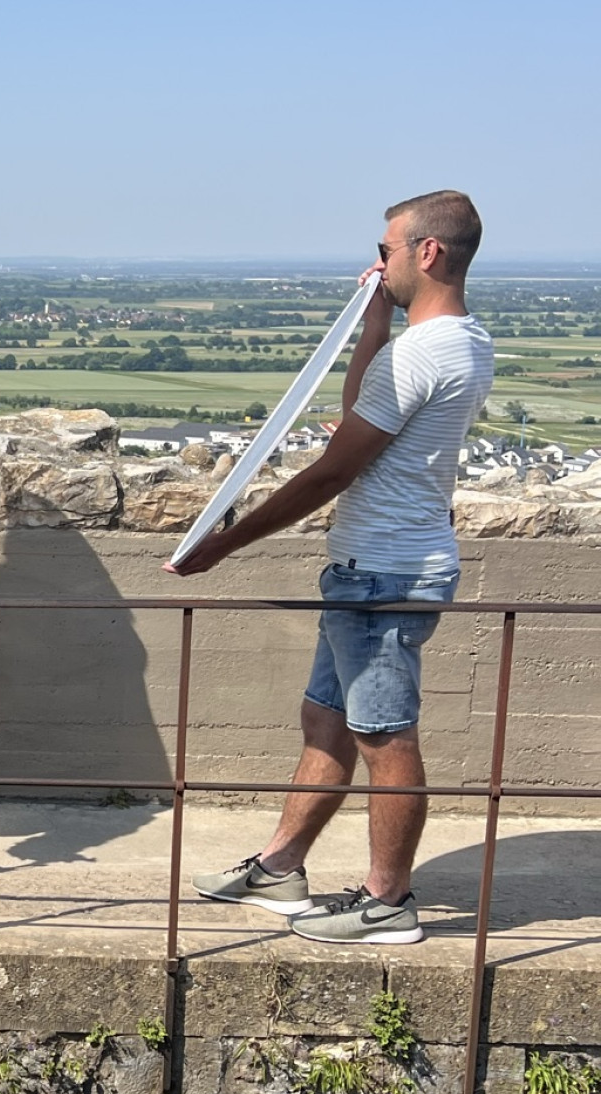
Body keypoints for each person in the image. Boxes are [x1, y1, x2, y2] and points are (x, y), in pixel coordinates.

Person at [172, 191, 493, 946]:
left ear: (429, 252)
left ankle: (389, 902)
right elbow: (363, 409)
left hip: (384, 575)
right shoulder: (466, 340)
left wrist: (221, 542)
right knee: (327, 719)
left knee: (386, 737)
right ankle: (283, 866)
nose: (378, 262)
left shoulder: (422, 354)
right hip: (373, 567)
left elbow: (328, 472)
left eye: (387, 249)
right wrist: (376, 313)